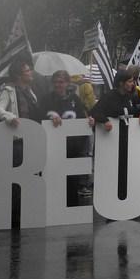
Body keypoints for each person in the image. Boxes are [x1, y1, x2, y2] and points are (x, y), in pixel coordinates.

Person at [44, 70, 95, 202]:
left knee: (72, 183)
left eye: (61, 82)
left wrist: (89, 121)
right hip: (54, 148)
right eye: (55, 82)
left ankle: (72, 211)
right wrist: (50, 119)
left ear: (67, 83)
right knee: (55, 182)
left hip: (73, 149)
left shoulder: (74, 99)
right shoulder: (47, 99)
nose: (57, 85)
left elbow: (82, 118)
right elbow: (39, 118)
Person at [0, 58, 42, 126]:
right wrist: (10, 118)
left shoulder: (30, 90)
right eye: (27, 71)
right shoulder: (8, 91)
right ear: (18, 76)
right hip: (17, 132)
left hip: (32, 130)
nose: (31, 72)